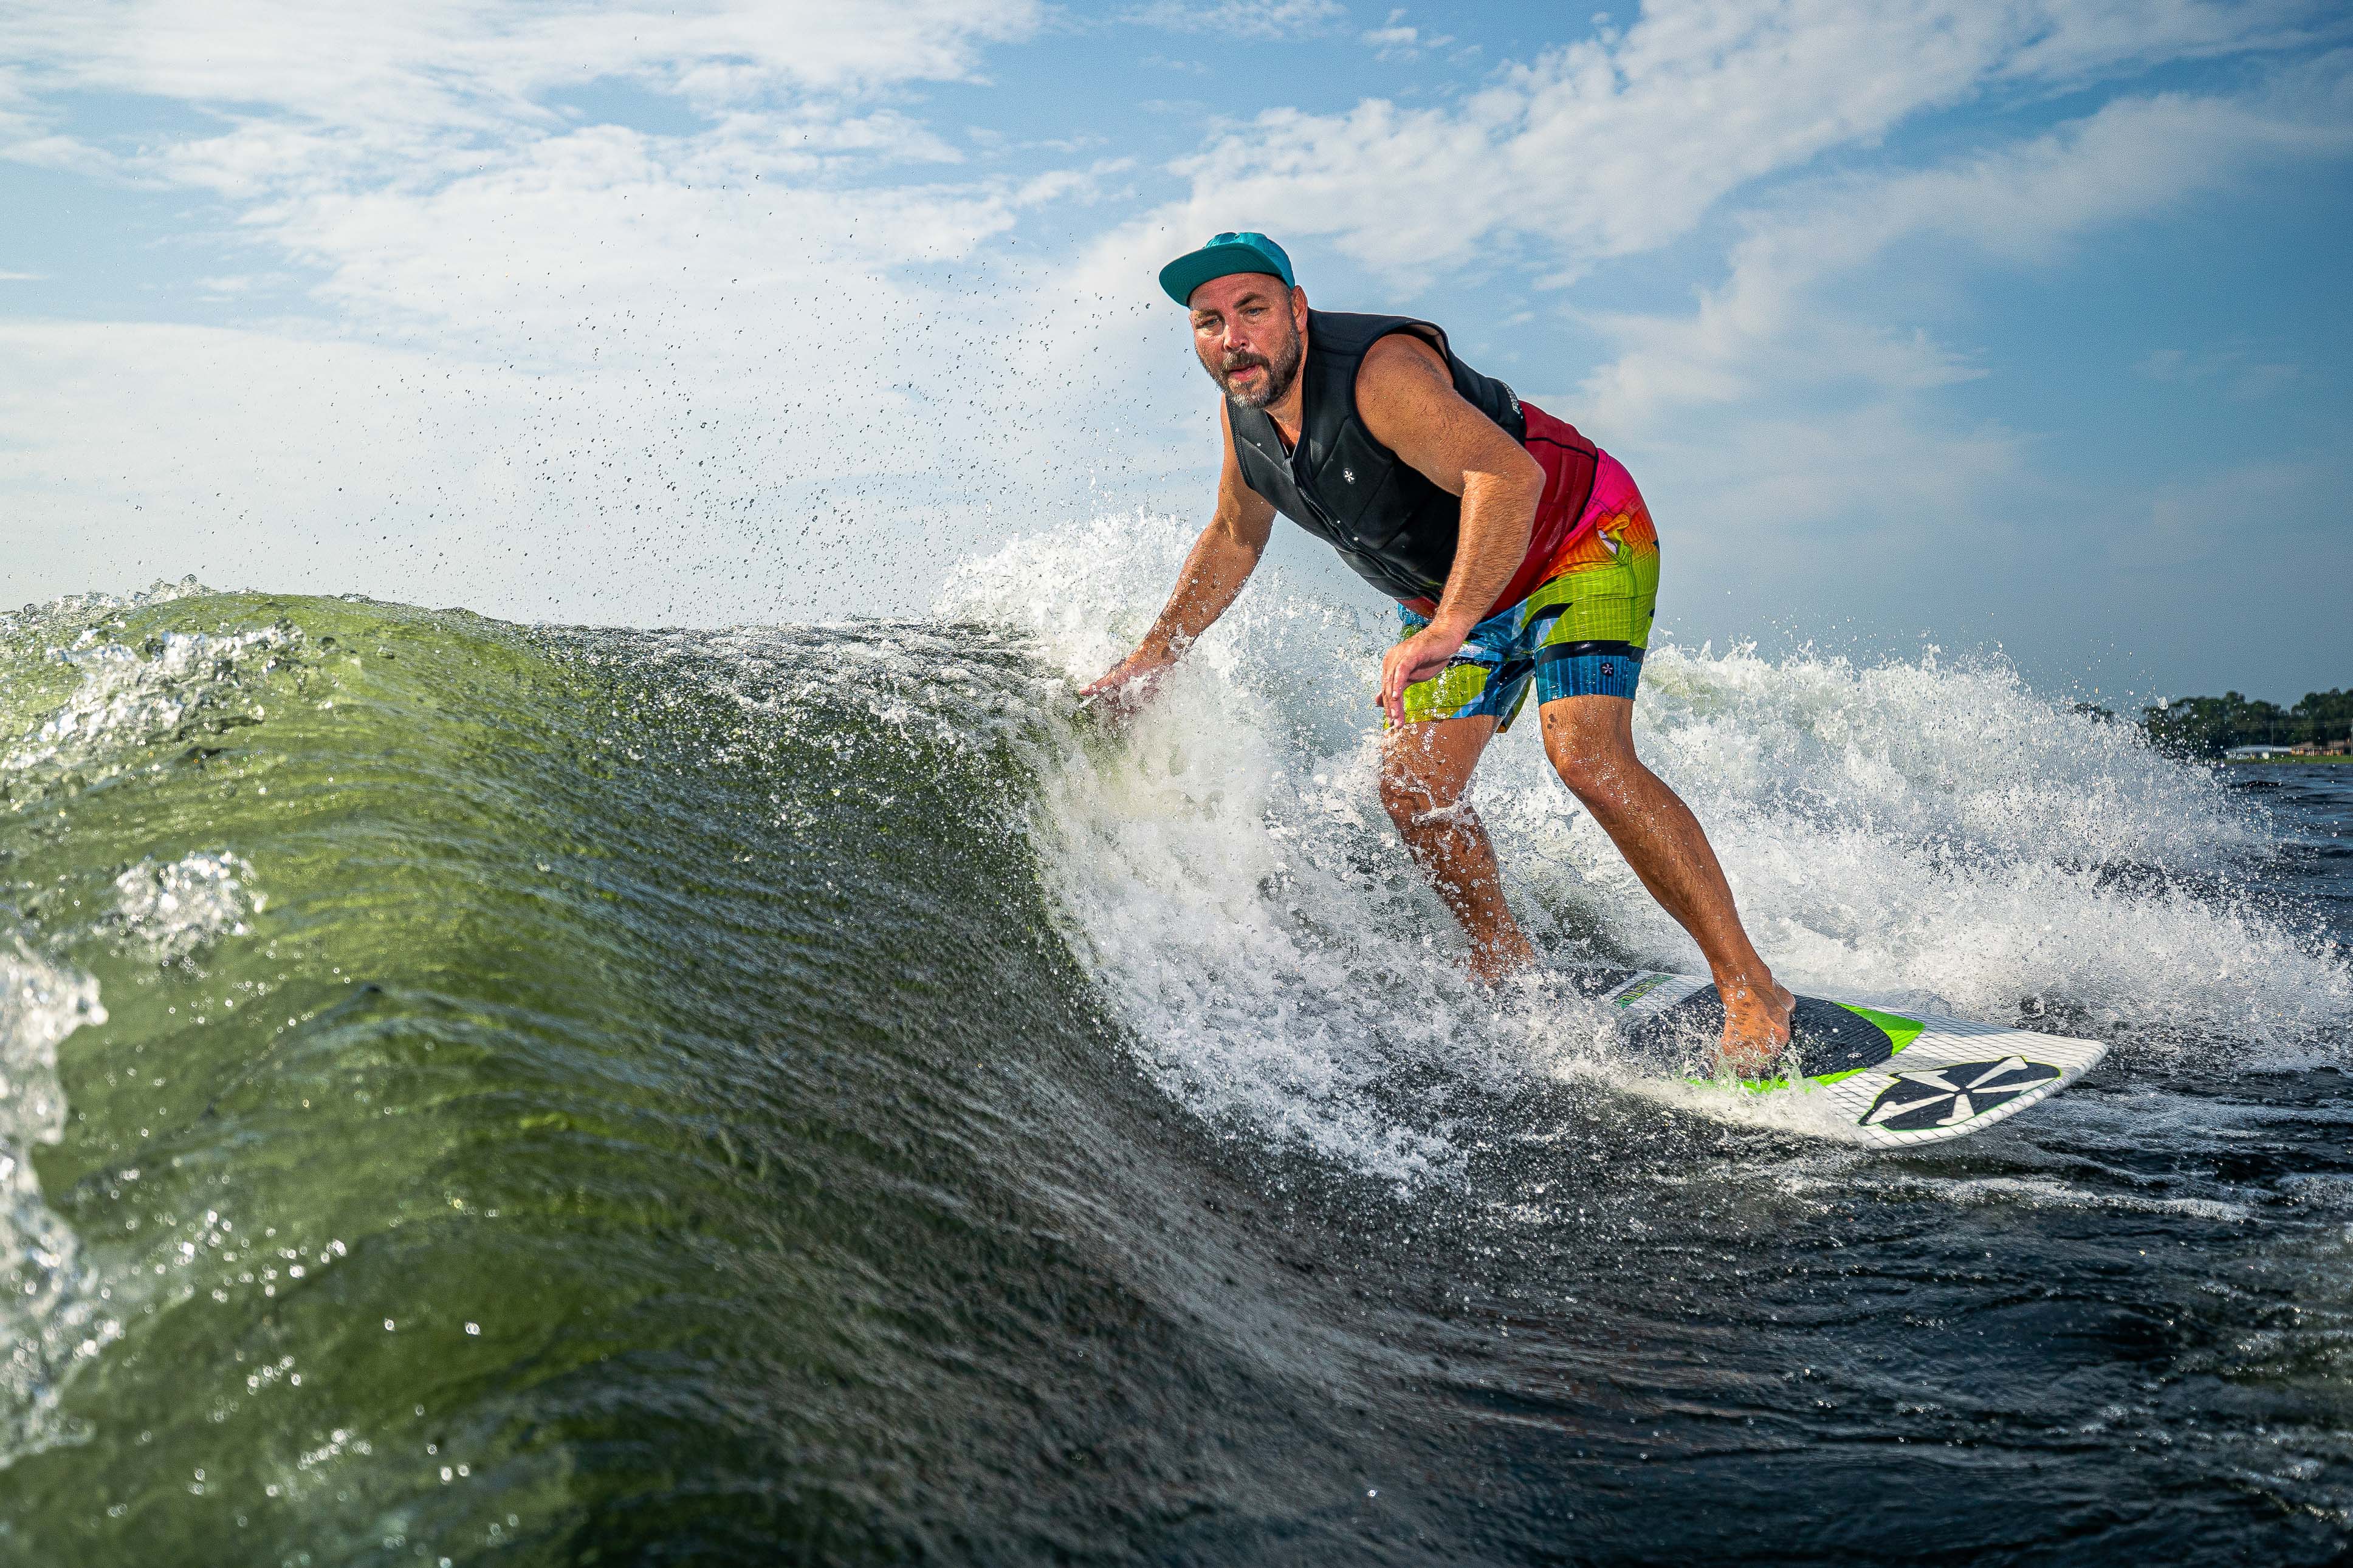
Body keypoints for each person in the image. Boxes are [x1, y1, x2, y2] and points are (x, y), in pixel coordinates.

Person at [1080, 231, 1794, 1069]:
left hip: (1579, 536)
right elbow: (1235, 536)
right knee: (1414, 789)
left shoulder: (1377, 377)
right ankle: (1503, 956)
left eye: (1252, 310)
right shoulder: (1249, 423)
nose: (1233, 337)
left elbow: (1510, 479)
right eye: (1209, 321)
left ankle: (1750, 986)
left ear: (1298, 311)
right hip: (1459, 596)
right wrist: (1152, 659)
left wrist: (1450, 624)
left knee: (1586, 755)